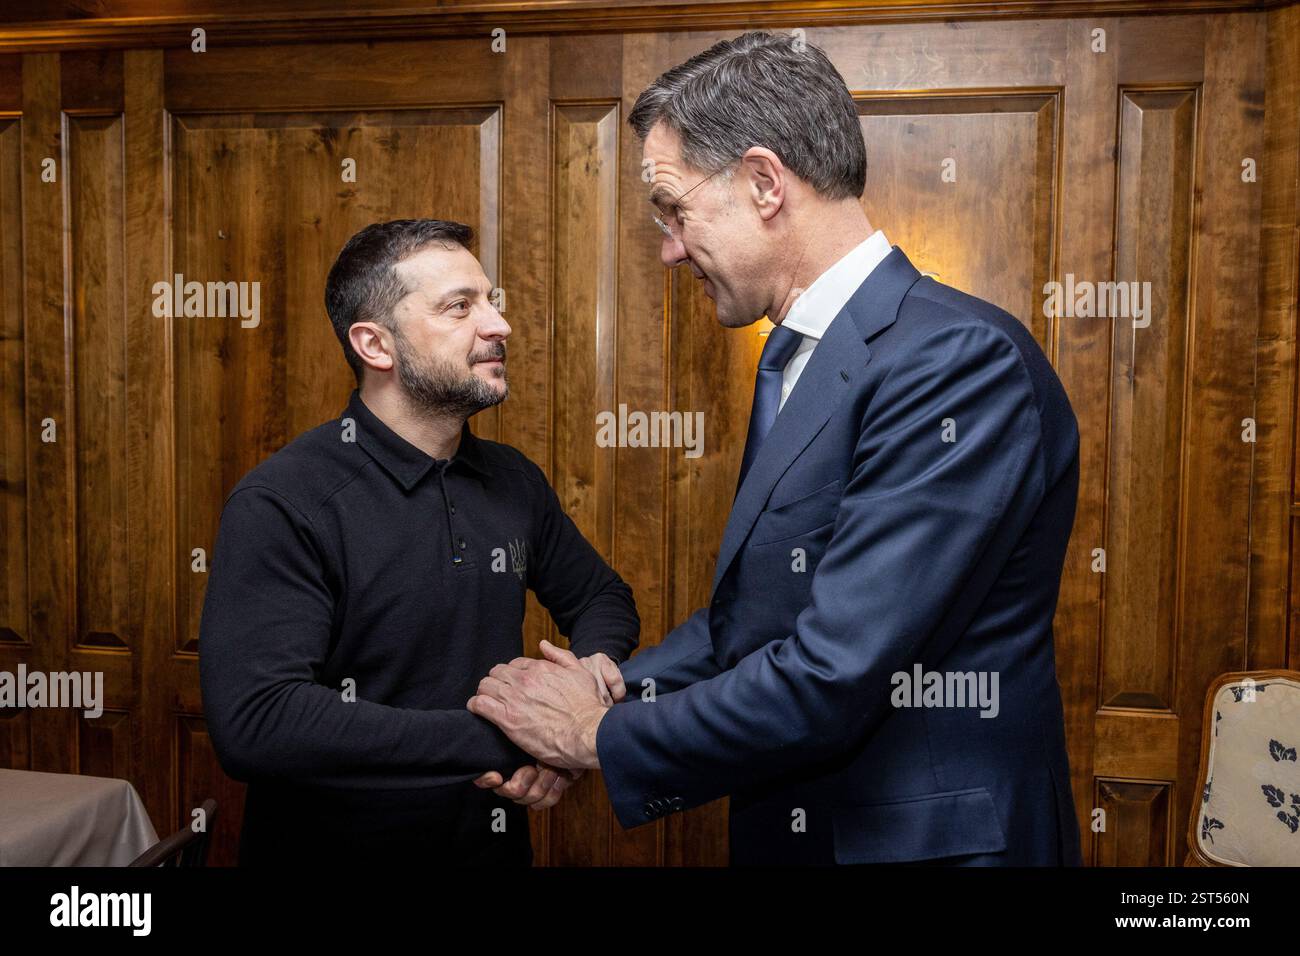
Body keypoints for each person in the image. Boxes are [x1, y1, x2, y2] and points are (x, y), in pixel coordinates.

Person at [467, 32, 1083, 866]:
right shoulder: (804, 354)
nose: (669, 248)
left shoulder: (953, 360)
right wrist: (611, 687)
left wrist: (593, 733)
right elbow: (758, 624)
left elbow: (835, 671)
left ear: (764, 182)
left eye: (675, 209)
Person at [199, 218, 638, 865]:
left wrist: (579, 688)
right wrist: (515, 739)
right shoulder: (284, 500)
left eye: (490, 301)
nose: (498, 325)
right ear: (375, 344)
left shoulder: (513, 479)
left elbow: (602, 596)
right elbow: (258, 721)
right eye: (459, 307)